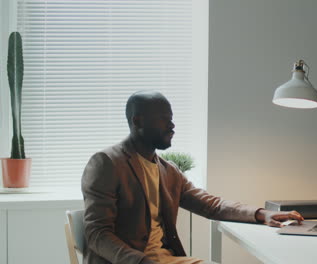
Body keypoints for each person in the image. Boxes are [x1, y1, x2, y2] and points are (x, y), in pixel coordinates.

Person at [81, 90, 304, 264]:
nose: (172, 125)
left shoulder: (167, 170)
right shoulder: (107, 163)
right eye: (164, 119)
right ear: (138, 121)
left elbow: (212, 205)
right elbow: (97, 234)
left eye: (172, 118)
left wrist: (262, 214)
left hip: (166, 259)